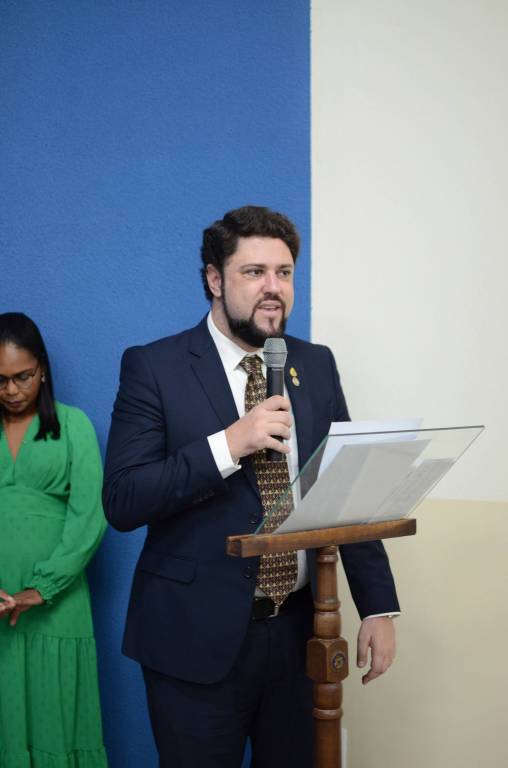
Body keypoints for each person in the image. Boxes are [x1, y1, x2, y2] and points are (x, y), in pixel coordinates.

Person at [103, 205, 400, 768]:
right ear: (215, 279)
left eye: (284, 273)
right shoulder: (155, 367)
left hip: (299, 632)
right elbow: (123, 499)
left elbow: (344, 487)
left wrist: (379, 607)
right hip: (192, 637)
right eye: (254, 272)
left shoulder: (314, 364)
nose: (273, 288)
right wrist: (228, 445)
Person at [0, 313, 108, 767]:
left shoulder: (73, 425)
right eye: (0, 380)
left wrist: (41, 588)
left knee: (55, 721)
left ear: (42, 369)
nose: (11, 390)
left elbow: (90, 518)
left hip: (56, 605)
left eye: (22, 376)